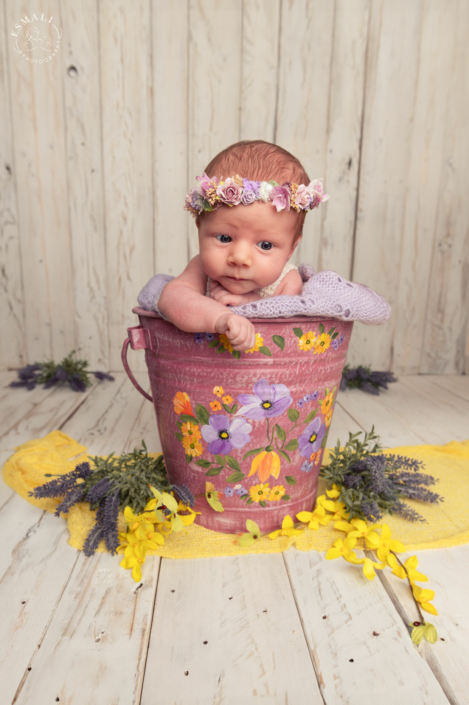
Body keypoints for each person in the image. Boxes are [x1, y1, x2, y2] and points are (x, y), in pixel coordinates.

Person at [158, 140, 328, 352]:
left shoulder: (287, 280)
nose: (239, 258)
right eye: (224, 238)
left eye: (265, 245)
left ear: (291, 249)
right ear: (200, 229)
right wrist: (220, 317)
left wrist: (250, 301)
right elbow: (171, 298)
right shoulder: (201, 269)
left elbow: (288, 327)